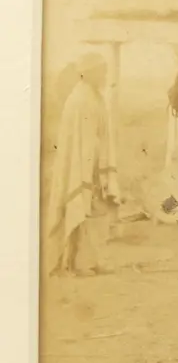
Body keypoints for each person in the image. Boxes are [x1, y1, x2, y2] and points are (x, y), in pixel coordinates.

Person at [45, 51, 120, 276]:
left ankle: (89, 261)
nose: (104, 76)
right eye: (101, 72)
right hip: (78, 166)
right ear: (88, 73)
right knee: (76, 208)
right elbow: (82, 140)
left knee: (93, 213)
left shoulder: (95, 96)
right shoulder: (80, 99)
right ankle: (69, 264)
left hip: (92, 165)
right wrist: (89, 168)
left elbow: (100, 135)